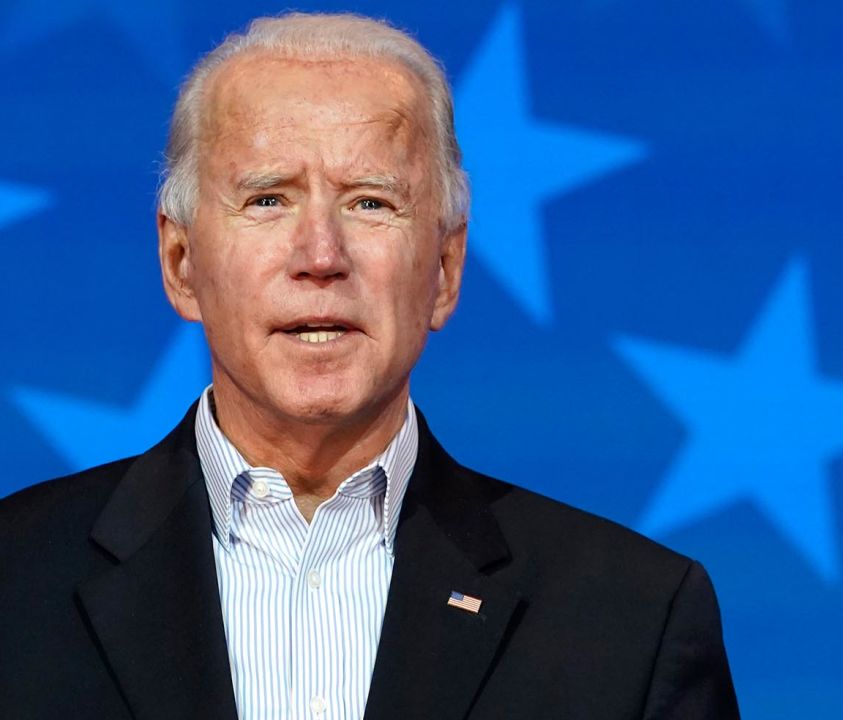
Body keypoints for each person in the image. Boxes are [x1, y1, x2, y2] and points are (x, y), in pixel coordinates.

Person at [0, 12, 738, 719]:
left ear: (445, 269)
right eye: (267, 198)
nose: (321, 256)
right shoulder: (16, 578)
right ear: (181, 262)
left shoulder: (631, 618)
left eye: (371, 204)